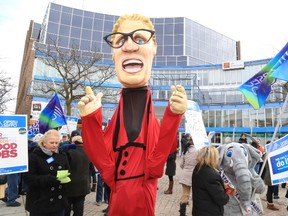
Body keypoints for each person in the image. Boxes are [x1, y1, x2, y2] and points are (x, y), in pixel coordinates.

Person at [78, 14, 187, 215]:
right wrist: (90, 119)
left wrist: (174, 116)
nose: (129, 46)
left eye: (139, 39)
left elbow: (156, 166)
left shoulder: (151, 118)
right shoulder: (117, 117)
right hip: (118, 202)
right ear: (113, 54)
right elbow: (103, 164)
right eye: (120, 40)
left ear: (153, 46)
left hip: (141, 203)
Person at [24, 129, 70, 216]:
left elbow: (68, 170)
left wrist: (65, 177)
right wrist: (50, 179)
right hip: (40, 201)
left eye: (57, 143)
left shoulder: (62, 154)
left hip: (58, 202)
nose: (54, 145)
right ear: (44, 143)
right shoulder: (34, 156)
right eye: (51, 143)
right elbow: (28, 178)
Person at [192, 146, 232, 216]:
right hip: (210, 212)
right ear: (213, 157)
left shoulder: (198, 167)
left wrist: (221, 185)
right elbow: (222, 199)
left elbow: (206, 187)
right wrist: (229, 190)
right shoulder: (211, 174)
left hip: (199, 210)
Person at [64, 135, 91, 216]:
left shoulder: (69, 153)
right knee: (79, 209)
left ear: (73, 143)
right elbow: (91, 169)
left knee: (66, 210)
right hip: (83, 185)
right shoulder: (89, 152)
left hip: (69, 185)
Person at [178, 135, 198, 216]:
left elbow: (181, 164)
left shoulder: (185, 150)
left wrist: (186, 168)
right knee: (196, 195)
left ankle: (182, 213)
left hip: (185, 174)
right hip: (195, 175)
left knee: (185, 194)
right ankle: (195, 212)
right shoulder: (199, 150)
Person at [263, 141, 279, 211]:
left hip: (271, 174)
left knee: (270, 189)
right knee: (270, 189)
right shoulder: (268, 154)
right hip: (270, 175)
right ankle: (270, 204)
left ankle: (269, 202)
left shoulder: (268, 154)